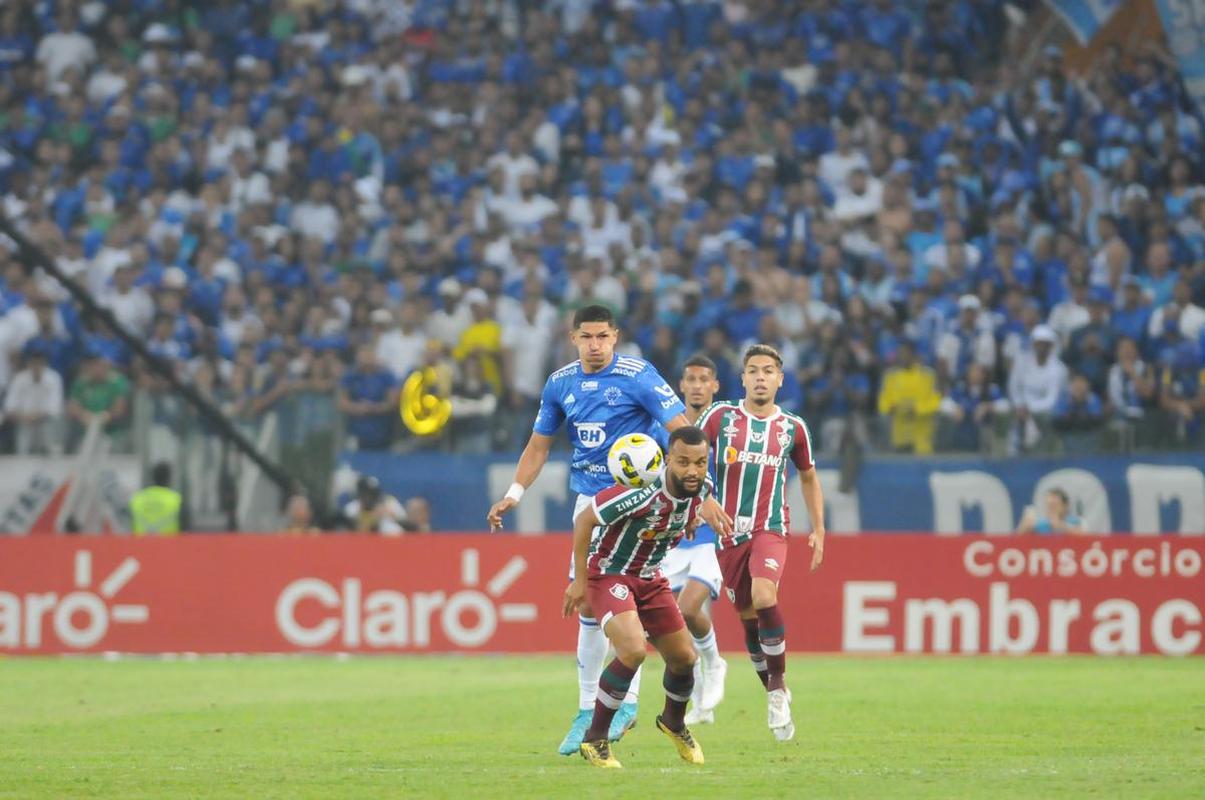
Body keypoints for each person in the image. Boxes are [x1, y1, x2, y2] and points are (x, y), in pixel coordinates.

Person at [486, 304, 731, 756]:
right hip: (592, 502)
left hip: (641, 500)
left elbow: (683, 433)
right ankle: (588, 710)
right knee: (587, 603)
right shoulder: (560, 383)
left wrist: (704, 491)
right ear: (573, 338)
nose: (595, 345)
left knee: (628, 597)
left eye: (603, 336)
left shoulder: (639, 375)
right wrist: (514, 493)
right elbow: (538, 446)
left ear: (615, 336)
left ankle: (626, 703)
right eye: (587, 337)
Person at [562, 425, 715, 769]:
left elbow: (686, 510)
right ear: (668, 460)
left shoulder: (702, 489)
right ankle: (595, 740)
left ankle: (673, 723)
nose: (692, 470)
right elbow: (584, 521)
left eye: (700, 462)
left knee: (685, 658)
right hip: (610, 575)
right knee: (632, 650)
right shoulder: (639, 491)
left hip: (651, 578)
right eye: (683, 462)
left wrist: (689, 522)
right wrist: (579, 580)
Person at [698, 344, 826, 742]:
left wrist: (819, 529)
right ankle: (774, 688)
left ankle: (776, 691)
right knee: (749, 620)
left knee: (765, 595)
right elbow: (686, 458)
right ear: (742, 378)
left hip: (770, 527)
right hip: (728, 535)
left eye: (768, 371)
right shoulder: (719, 417)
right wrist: (702, 499)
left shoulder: (793, 427)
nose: (760, 377)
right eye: (753, 370)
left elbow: (808, 477)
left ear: (779, 379)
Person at [658, 355, 727, 725]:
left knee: (687, 609)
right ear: (681, 386)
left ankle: (715, 663)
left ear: (715, 385)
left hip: (708, 537)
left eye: (704, 379)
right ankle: (700, 703)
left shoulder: (727, 427)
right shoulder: (666, 428)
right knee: (673, 623)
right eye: (691, 379)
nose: (697, 386)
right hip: (672, 537)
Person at [343, 475, 408, 534]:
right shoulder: (352, 508)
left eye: (372, 494)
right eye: (365, 494)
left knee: (389, 527)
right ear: (360, 493)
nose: (368, 497)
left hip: (383, 538)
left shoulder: (390, 502)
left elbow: (406, 523)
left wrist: (391, 515)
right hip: (360, 539)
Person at [130, 462, 182, 535]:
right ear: (169, 478)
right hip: (169, 541)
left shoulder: (137, 498)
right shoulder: (176, 499)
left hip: (140, 542)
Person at [1017, 488, 1088, 534]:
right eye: (1049, 505)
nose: (1052, 509)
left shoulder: (1074, 521)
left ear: (1065, 506)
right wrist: (1025, 527)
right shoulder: (1041, 524)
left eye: (1055, 505)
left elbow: (1084, 536)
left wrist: (1061, 526)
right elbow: (1019, 538)